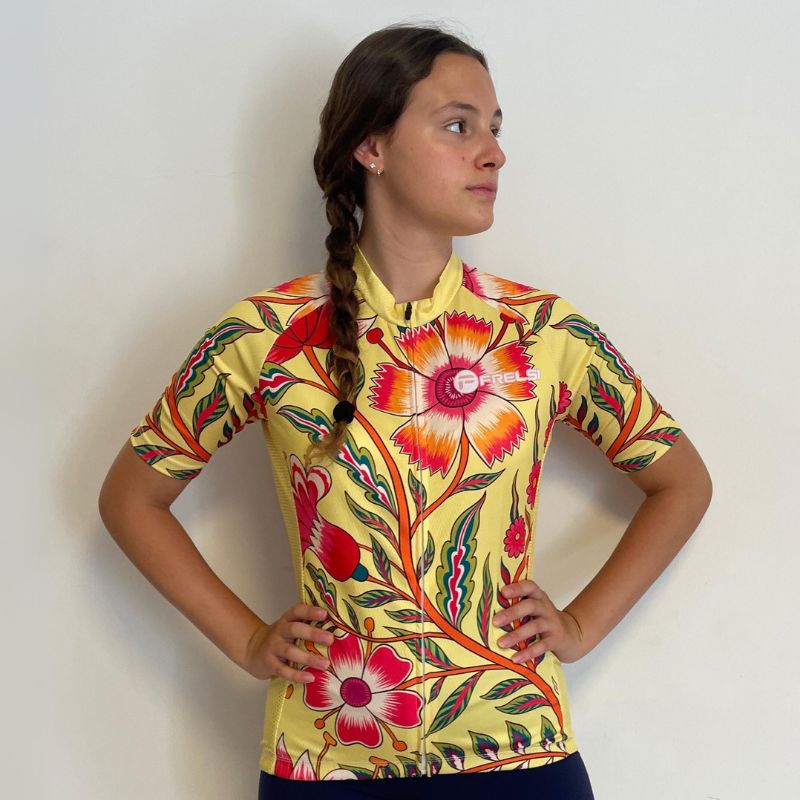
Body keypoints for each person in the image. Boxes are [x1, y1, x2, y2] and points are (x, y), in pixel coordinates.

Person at [98, 21, 712, 800]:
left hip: (516, 755)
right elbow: (131, 498)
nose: (492, 152)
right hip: (327, 757)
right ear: (372, 147)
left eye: (494, 128)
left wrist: (582, 625)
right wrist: (249, 639)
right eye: (458, 125)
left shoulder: (541, 332)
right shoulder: (267, 336)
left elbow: (682, 481)